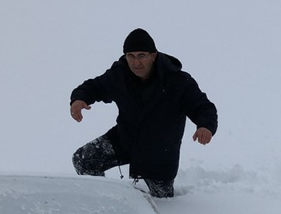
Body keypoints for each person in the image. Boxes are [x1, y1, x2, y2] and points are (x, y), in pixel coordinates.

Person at [70, 28, 217, 198]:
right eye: (130, 56)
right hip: (126, 140)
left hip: (160, 153)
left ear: (153, 55)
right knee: (84, 159)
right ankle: (104, 202)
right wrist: (79, 99)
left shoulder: (177, 81)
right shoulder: (119, 75)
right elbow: (95, 87)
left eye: (141, 55)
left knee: (163, 202)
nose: (135, 63)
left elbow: (203, 106)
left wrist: (205, 126)